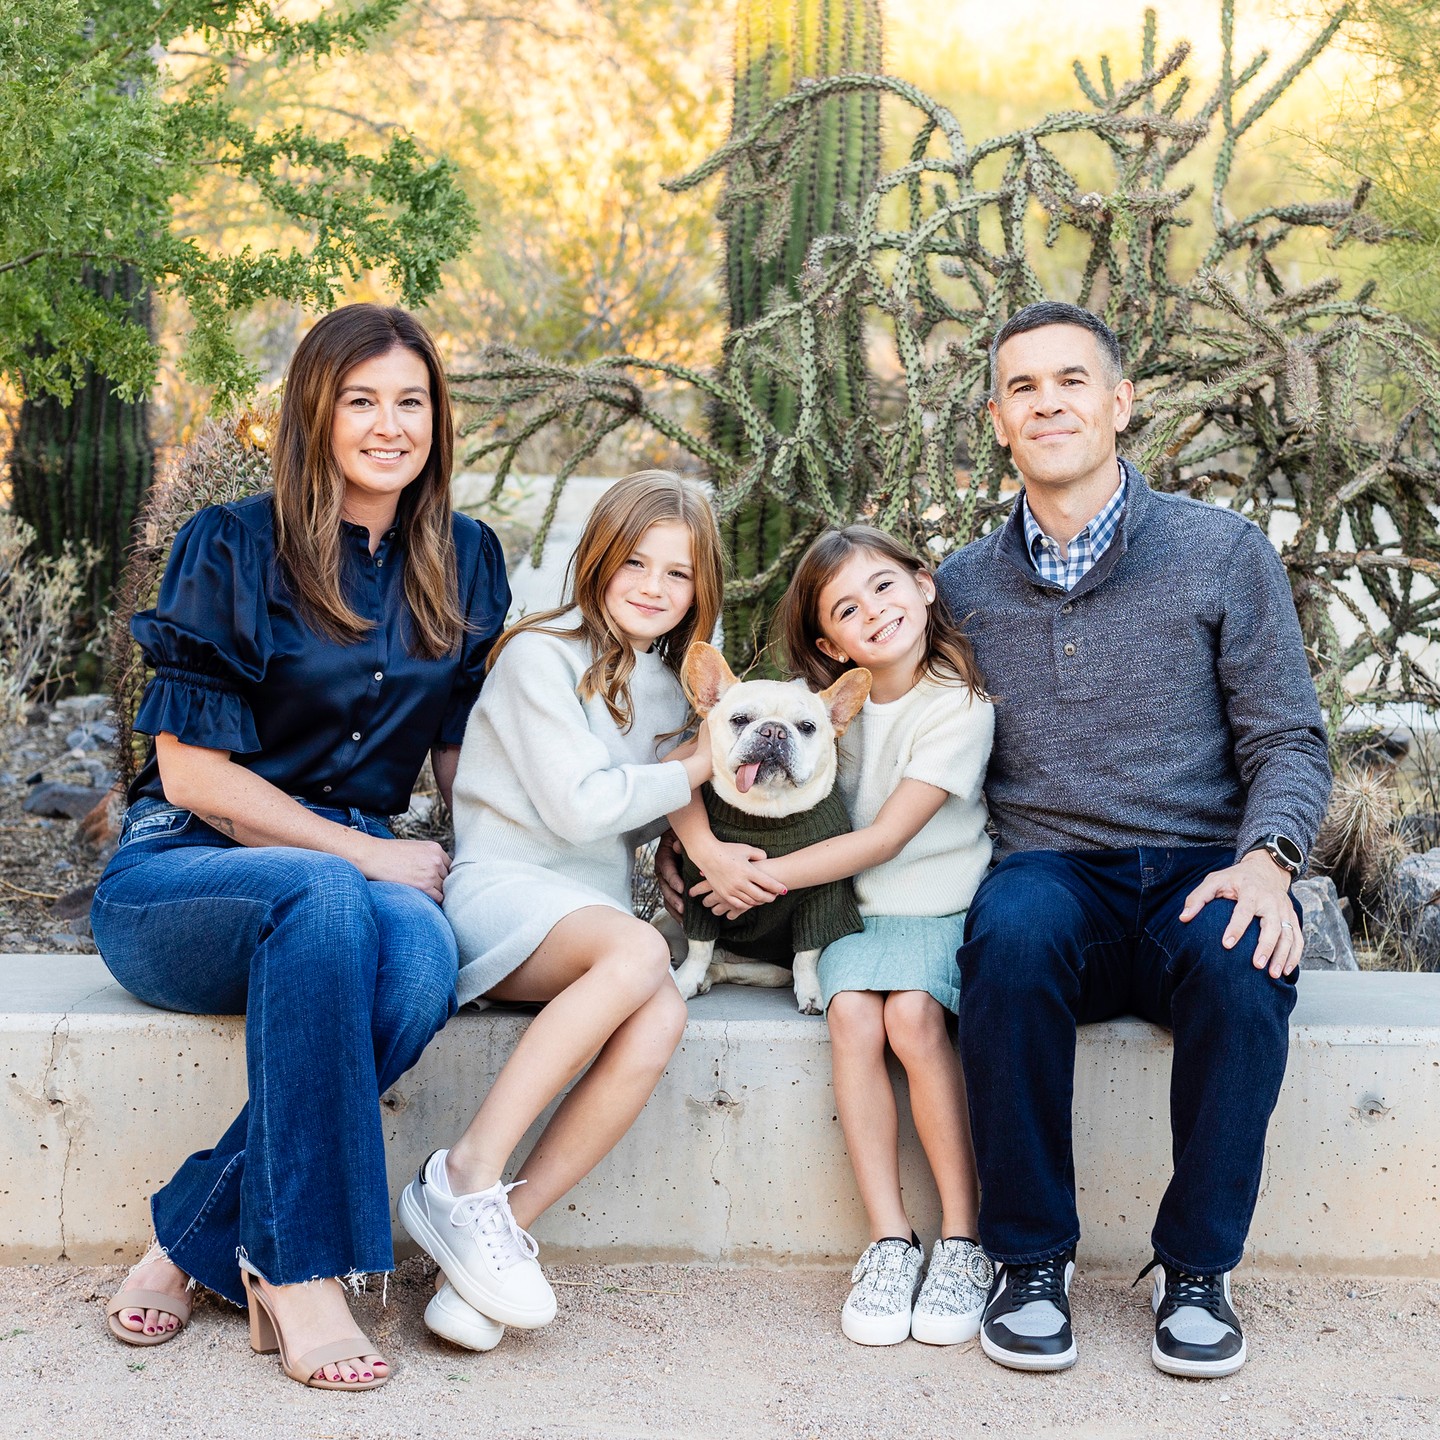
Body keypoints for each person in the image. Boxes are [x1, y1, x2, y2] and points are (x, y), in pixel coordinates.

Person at [91, 304, 510, 1390]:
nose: (389, 425)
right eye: (360, 401)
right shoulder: (230, 542)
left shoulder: (466, 560)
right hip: (185, 871)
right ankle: (300, 1271)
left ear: (437, 420)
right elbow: (192, 777)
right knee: (326, 894)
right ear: (314, 415)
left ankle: (189, 1242)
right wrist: (368, 859)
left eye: (411, 401)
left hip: (352, 873)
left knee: (421, 964)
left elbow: (468, 758)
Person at [935, 300, 1332, 1378]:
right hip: (1054, 877)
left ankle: (1195, 1271)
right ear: (998, 421)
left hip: (1205, 870)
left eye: (1071, 380)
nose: (1047, 402)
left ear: (1120, 403)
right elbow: (892, 729)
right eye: (1023, 388)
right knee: (1007, 935)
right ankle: (1029, 1261)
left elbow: (1291, 738)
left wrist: (1269, 861)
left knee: (1250, 958)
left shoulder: (1219, 551)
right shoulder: (961, 586)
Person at [396, 470, 722, 1351]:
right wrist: (691, 772)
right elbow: (580, 805)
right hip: (502, 896)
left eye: (679, 574)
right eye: (636, 564)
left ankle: (488, 1250)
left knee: (659, 1011)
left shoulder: (667, 684)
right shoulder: (540, 656)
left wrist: (674, 837)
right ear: (598, 560)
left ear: (703, 589)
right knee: (639, 961)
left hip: (588, 918)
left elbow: (634, 801)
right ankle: (461, 1176)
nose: (654, 587)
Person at [683, 525, 996, 1347]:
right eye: (849, 609)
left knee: (914, 1021)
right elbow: (696, 755)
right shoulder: (809, 710)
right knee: (853, 1017)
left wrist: (757, 879)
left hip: (934, 908)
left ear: (925, 586)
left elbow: (887, 839)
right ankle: (889, 1239)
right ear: (830, 641)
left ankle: (963, 1240)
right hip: (849, 913)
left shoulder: (958, 709)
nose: (876, 612)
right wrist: (706, 852)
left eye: (886, 588)